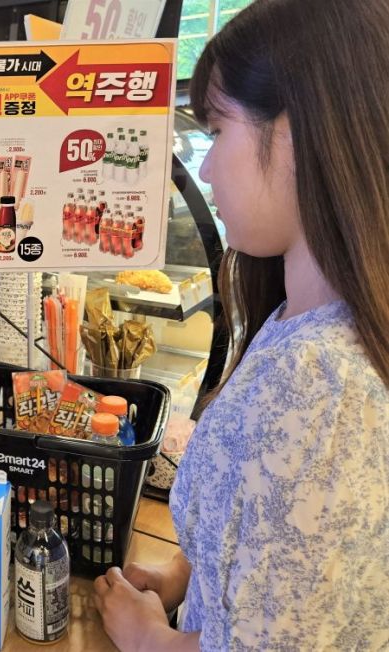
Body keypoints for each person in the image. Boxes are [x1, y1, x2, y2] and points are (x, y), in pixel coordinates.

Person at [93, 0, 389, 649]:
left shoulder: (316, 376)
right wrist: (183, 575)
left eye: (217, 130)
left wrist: (152, 641)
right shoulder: (295, 321)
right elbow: (283, 543)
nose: (203, 167)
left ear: (294, 133)